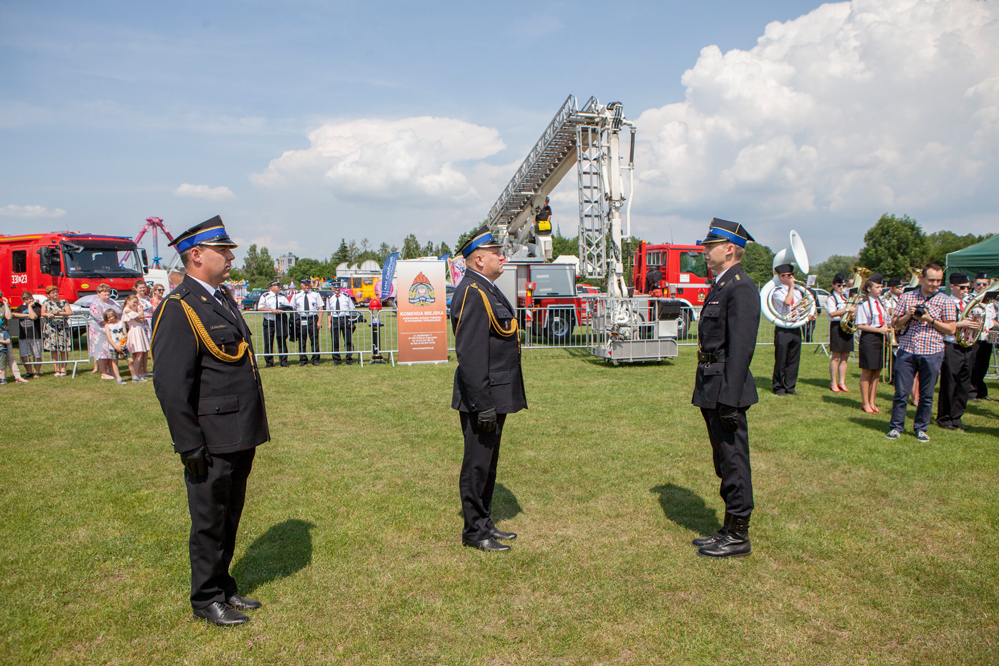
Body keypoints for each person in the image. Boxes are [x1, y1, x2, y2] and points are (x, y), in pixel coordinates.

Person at [151, 216, 269, 627]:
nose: (231, 257)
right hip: (210, 437)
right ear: (197, 255)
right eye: (223, 251)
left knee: (229, 514)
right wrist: (189, 444)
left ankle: (223, 584)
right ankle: (205, 598)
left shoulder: (220, 298)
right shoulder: (178, 307)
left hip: (238, 430)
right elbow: (171, 385)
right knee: (208, 519)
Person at [451, 224, 527, 552]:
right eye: (496, 252)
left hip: (495, 393)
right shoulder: (473, 292)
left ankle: (484, 522)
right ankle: (474, 532)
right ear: (479, 260)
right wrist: (483, 404)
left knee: (488, 464)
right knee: (477, 465)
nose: (502, 256)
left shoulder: (486, 289)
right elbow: (470, 356)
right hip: (482, 398)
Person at [690, 218, 760, 558]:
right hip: (711, 384)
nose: (705, 252)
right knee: (723, 460)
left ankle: (739, 535)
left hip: (726, 389)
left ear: (729, 249)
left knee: (734, 461)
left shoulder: (740, 287)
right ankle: (728, 527)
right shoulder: (721, 285)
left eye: (710, 246)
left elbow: (741, 349)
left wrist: (730, 400)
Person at [887, 264, 958, 442]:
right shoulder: (907, 297)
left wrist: (929, 319)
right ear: (922, 278)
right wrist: (908, 315)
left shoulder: (945, 300)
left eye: (938, 280)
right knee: (901, 392)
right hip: (907, 350)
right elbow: (895, 323)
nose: (935, 284)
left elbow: (951, 329)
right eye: (931, 280)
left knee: (926, 395)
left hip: (932, 352)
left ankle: (921, 428)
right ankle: (896, 427)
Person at [936, 273, 978, 431]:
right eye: (962, 288)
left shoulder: (968, 302)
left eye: (967, 288)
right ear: (952, 286)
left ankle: (957, 417)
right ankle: (944, 418)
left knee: (964, 384)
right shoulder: (946, 302)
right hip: (952, 345)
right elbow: (941, 324)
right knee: (949, 383)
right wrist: (961, 324)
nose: (965, 291)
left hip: (967, 345)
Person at [770, 263, 812, 395]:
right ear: (781, 277)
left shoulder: (799, 292)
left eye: (792, 275)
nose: (791, 277)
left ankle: (790, 386)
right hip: (783, 328)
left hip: (795, 327)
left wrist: (809, 315)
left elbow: (802, 307)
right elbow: (787, 302)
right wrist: (791, 288)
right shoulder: (777, 292)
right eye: (788, 275)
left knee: (794, 360)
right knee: (781, 359)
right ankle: (778, 387)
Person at [854, 273, 891, 413]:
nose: (880, 289)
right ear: (869, 289)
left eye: (881, 287)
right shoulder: (863, 304)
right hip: (869, 339)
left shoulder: (882, 303)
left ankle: (872, 402)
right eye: (877, 287)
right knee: (867, 371)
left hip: (881, 338)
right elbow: (860, 324)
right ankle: (865, 402)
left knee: (877, 371)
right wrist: (878, 330)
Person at [969, 272, 997, 401]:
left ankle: (981, 390)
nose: (982, 286)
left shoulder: (990, 300)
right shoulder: (970, 298)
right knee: (973, 364)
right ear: (973, 284)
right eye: (979, 283)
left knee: (984, 363)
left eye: (985, 284)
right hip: (974, 335)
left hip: (987, 335)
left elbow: (991, 318)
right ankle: (971, 391)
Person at [824, 273, 855, 392]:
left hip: (847, 325)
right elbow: (832, 313)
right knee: (836, 356)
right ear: (833, 285)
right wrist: (847, 309)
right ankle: (833, 382)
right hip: (837, 326)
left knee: (845, 356)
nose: (841, 288)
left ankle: (842, 381)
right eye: (839, 285)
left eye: (843, 285)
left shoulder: (846, 297)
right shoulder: (831, 298)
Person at [89, 283, 122, 380]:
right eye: (104, 292)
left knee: (111, 351)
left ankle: (112, 370)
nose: (107, 293)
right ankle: (104, 372)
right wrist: (111, 324)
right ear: (98, 293)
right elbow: (99, 318)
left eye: (108, 291)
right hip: (100, 331)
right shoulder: (95, 304)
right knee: (102, 352)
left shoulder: (113, 302)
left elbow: (119, 312)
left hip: (113, 330)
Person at [41, 284, 73, 376]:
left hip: (62, 328)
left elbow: (69, 312)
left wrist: (60, 313)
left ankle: (63, 368)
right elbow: (42, 313)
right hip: (51, 328)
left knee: (63, 349)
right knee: (53, 349)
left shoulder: (64, 302)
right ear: (48, 294)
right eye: (53, 292)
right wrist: (47, 314)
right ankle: (57, 369)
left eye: (56, 292)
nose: (55, 294)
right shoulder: (46, 303)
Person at [256, 280, 289, 367]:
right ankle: (269, 362)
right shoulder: (265, 296)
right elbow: (260, 308)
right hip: (269, 321)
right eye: (277, 286)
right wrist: (271, 310)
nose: (279, 288)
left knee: (282, 341)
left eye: (280, 286)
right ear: (272, 287)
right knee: (268, 342)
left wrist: (283, 309)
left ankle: (283, 361)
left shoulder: (282, 296)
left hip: (280, 321)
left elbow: (288, 306)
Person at [292, 279, 323, 366]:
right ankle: (303, 359)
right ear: (301, 285)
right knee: (302, 339)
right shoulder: (296, 295)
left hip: (312, 318)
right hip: (301, 318)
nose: (307, 286)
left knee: (314, 339)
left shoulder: (315, 294)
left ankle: (315, 359)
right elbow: (293, 308)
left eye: (308, 285)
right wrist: (296, 321)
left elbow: (320, 307)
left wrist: (319, 321)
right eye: (305, 285)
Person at [0, 291, 29, 383]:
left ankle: (17, 377)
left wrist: (6, 304)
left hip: (3, 334)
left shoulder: (3, 306)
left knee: (10, 357)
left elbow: (8, 317)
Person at [13, 291, 43, 377]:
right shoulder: (21, 307)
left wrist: (30, 306)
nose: (29, 300)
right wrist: (25, 315)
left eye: (30, 299)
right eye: (26, 299)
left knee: (36, 355)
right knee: (24, 355)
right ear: (24, 300)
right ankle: (29, 372)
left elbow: (33, 316)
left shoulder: (37, 307)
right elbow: (13, 314)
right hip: (24, 335)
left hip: (35, 335)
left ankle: (37, 372)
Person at [327, 283, 356, 365]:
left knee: (348, 340)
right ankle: (336, 359)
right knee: (335, 341)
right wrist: (329, 323)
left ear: (340, 287)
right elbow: (329, 312)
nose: (337, 289)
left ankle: (349, 359)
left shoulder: (346, 296)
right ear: (332, 288)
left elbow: (351, 310)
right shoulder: (329, 298)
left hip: (345, 319)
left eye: (338, 287)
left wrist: (352, 322)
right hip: (335, 319)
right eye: (335, 287)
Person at [122, 294, 149, 382]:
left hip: (137, 330)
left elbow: (140, 319)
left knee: (136, 354)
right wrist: (141, 308)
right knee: (138, 353)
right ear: (128, 301)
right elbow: (141, 316)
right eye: (134, 302)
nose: (135, 304)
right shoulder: (127, 310)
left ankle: (136, 373)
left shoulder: (130, 310)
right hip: (135, 331)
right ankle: (136, 374)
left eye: (136, 302)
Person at [102, 309, 130, 385]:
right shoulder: (107, 326)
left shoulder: (121, 323)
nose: (111, 318)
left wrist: (124, 343)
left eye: (112, 316)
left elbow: (125, 334)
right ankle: (119, 378)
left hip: (122, 345)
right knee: (115, 361)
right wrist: (115, 347)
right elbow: (109, 338)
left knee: (130, 360)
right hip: (113, 347)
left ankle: (134, 376)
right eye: (109, 317)